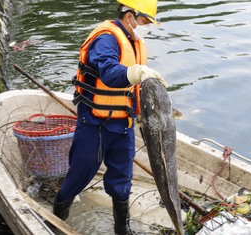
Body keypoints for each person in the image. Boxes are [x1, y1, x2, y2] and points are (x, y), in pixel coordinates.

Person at [52, 0, 167, 234]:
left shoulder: (135, 41)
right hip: (95, 122)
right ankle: (54, 219)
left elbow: (132, 86)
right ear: (129, 17)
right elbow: (110, 74)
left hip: (123, 123)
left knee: (122, 178)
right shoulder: (105, 39)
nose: (147, 27)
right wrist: (136, 72)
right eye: (145, 21)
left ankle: (121, 229)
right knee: (80, 173)